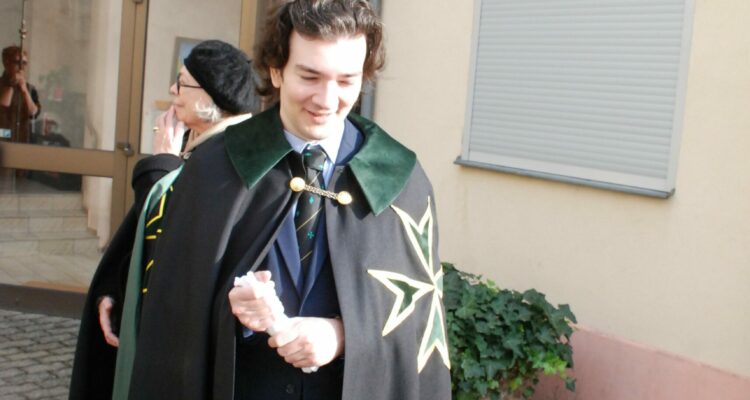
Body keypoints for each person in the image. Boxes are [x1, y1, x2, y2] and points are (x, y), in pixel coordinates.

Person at [118, 1, 452, 399]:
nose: (327, 100)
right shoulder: (214, 169)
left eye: (346, 81)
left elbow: (418, 324)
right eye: (309, 76)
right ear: (277, 69)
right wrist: (234, 312)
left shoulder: (399, 180)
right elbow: (173, 313)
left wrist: (343, 335)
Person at [68, 40, 256, 400]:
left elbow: (173, 243)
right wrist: (115, 289)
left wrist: (162, 166)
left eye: (183, 83)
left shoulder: (233, 158)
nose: (173, 90)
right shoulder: (197, 145)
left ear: (213, 95)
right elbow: (144, 243)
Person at [0, 45, 40, 143]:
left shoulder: (30, 89)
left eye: (24, 63)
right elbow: (2, 108)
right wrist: (11, 86)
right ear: (6, 63)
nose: (21, 67)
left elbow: (34, 113)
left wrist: (24, 90)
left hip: (22, 140)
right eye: (17, 62)